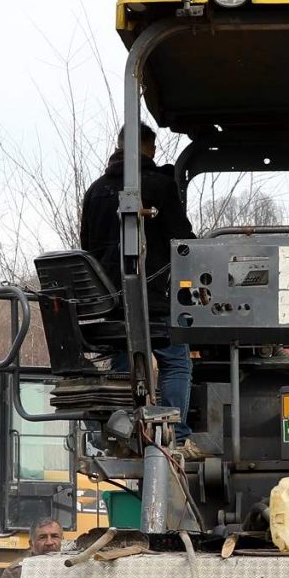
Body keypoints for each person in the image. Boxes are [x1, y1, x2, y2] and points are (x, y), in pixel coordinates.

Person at [77, 122, 195, 421]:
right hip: (153, 303)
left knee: (122, 363)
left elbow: (87, 249)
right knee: (176, 362)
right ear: (149, 148)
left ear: (118, 147)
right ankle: (176, 434)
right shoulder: (158, 186)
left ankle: (122, 430)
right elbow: (185, 243)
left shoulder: (94, 191)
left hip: (110, 306)